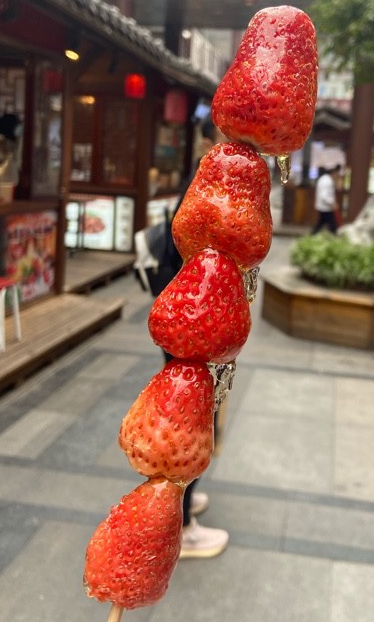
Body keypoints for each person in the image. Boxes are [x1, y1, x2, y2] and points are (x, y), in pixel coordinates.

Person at [155, 118, 230, 559]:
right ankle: (179, 527)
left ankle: (180, 504)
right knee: (192, 419)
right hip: (193, 320)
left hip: (191, 317)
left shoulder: (207, 180)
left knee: (195, 412)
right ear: (206, 141)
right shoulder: (207, 183)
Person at [311, 165, 339, 234]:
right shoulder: (327, 181)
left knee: (321, 223)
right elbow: (324, 196)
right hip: (326, 207)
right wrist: (332, 203)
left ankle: (312, 234)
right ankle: (335, 235)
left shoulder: (324, 179)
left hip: (323, 206)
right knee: (332, 225)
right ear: (333, 173)